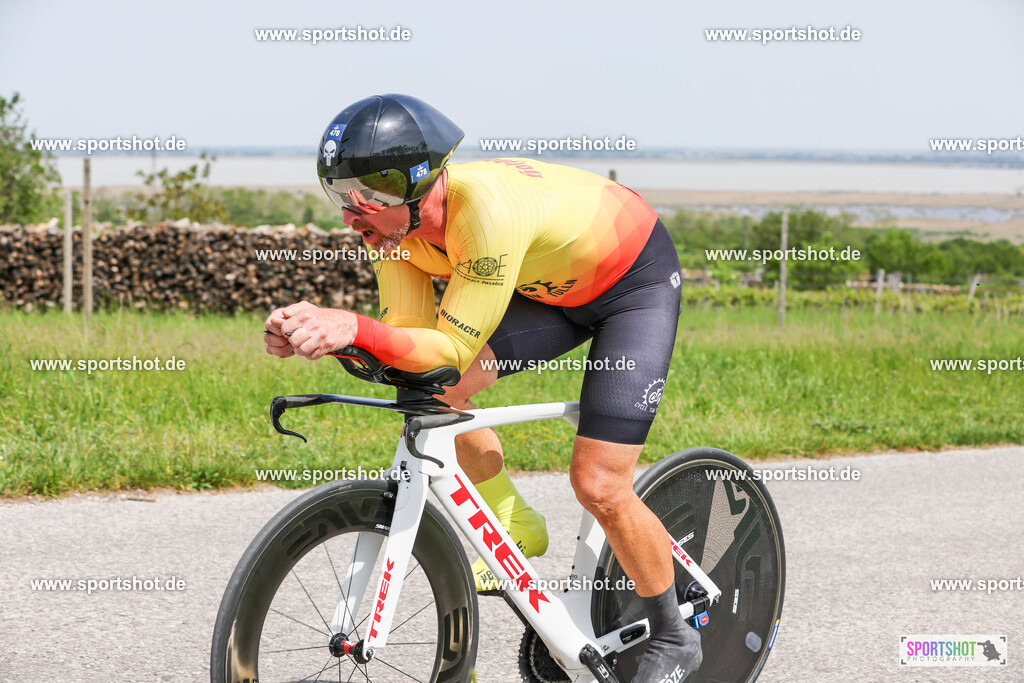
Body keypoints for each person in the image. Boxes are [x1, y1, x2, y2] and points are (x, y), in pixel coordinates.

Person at [264, 94, 701, 681]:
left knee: (598, 482)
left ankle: (676, 637)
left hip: (632, 286)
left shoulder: (484, 216)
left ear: (413, 188)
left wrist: (354, 327)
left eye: (363, 198)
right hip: (550, 290)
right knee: (434, 397)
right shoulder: (395, 236)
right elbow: (412, 353)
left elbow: (449, 350)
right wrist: (332, 338)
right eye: (339, 196)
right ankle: (514, 522)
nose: (349, 214)